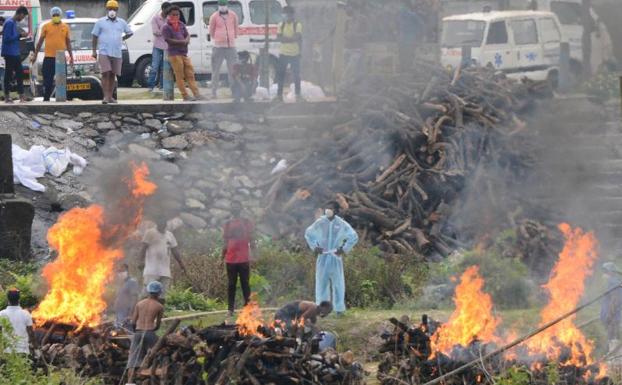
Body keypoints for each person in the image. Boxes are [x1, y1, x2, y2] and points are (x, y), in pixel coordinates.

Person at [304, 203, 358, 315]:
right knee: (321, 284)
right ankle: (322, 309)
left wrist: (344, 249)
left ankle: (339, 309)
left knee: (338, 284)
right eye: (327, 208)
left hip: (335, 256)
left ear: (336, 211)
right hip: (323, 256)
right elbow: (308, 233)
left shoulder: (341, 223)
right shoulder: (320, 222)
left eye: (331, 208)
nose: (328, 210)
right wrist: (315, 247)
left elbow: (353, 236)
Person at [91, 0, 133, 104]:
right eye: (110, 9)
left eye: (114, 9)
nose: (112, 11)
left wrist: (121, 38)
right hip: (104, 51)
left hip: (117, 52)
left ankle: (110, 97)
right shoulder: (100, 22)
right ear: (106, 9)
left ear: (117, 10)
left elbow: (130, 32)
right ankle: (105, 97)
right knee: (106, 73)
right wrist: (94, 51)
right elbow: (94, 36)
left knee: (113, 75)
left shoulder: (122, 22)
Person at [31, 7, 74, 102]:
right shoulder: (46, 26)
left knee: (62, 80)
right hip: (49, 58)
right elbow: (39, 43)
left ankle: (62, 99)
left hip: (61, 58)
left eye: (57, 15)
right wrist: (35, 55)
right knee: (47, 81)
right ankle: (46, 99)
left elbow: (68, 43)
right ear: (51, 16)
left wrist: (71, 57)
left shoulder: (65, 27)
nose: (56, 17)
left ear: (60, 15)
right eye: (54, 15)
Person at [162, 5, 204, 101]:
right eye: (173, 14)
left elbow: (187, 35)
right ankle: (185, 96)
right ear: (169, 15)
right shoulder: (166, 27)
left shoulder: (181, 24)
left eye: (177, 14)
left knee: (190, 74)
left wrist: (186, 40)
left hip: (184, 53)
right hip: (174, 54)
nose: (176, 16)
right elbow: (168, 40)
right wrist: (182, 42)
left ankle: (197, 94)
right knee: (179, 76)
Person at [126, 281, 164, 384]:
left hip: (138, 333)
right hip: (150, 333)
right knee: (158, 355)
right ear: (159, 293)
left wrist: (136, 331)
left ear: (148, 291)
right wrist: (152, 330)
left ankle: (130, 382)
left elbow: (133, 322)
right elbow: (158, 325)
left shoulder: (139, 304)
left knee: (133, 360)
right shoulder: (159, 306)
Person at [222, 201, 255, 317]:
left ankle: (248, 308)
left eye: (237, 206)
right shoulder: (227, 223)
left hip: (244, 258)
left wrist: (254, 254)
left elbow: (252, 238)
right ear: (231, 209)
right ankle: (230, 309)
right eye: (233, 206)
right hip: (231, 259)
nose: (235, 208)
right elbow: (225, 242)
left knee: (245, 284)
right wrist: (222, 257)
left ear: (241, 208)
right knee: (231, 284)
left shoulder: (246, 222)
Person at [140, 218, 186, 296]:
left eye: (164, 223)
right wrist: (141, 261)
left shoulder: (170, 235)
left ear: (166, 224)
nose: (163, 224)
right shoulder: (150, 233)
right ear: (157, 223)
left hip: (165, 271)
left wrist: (181, 264)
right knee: (147, 294)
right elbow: (143, 248)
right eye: (161, 222)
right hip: (151, 271)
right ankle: (143, 307)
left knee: (162, 296)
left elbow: (175, 251)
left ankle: (160, 308)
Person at [208, 0, 239, 98]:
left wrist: (233, 37)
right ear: (218, 6)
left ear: (227, 5)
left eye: (224, 5)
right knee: (215, 70)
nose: (222, 7)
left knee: (233, 70)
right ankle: (214, 92)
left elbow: (236, 27)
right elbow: (211, 30)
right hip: (218, 47)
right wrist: (218, 38)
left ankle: (234, 91)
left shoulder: (233, 15)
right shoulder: (214, 16)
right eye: (221, 5)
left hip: (231, 47)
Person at [2, 6, 29, 103]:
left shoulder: (13, 23)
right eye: (23, 16)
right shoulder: (9, 23)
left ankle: (21, 96)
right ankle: (7, 96)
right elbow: (6, 39)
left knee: (19, 74)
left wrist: (20, 37)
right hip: (9, 53)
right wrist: (20, 35)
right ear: (20, 14)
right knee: (8, 75)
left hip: (15, 53)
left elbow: (12, 37)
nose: (22, 19)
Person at [276, 6, 302, 102]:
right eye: (284, 14)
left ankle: (298, 95)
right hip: (283, 53)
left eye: (287, 14)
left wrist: (285, 39)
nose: (285, 16)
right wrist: (290, 39)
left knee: (296, 75)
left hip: (295, 53)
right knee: (280, 75)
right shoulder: (281, 25)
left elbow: (297, 37)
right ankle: (279, 95)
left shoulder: (297, 25)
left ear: (292, 15)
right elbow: (279, 38)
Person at [0, 288, 36, 354]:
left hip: (7, 351)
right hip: (23, 352)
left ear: (8, 300)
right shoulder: (26, 314)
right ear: (19, 300)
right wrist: (35, 347)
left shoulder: (1, 314)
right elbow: (31, 333)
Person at [148, 1, 170, 94]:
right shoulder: (155, 18)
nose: (169, 12)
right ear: (163, 9)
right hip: (157, 46)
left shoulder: (170, 18)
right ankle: (150, 87)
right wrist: (166, 28)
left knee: (164, 68)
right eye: (168, 10)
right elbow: (155, 32)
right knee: (154, 67)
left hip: (167, 47)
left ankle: (162, 86)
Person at [600, 262, 622, 353]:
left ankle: (614, 360)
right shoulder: (611, 282)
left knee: (613, 338)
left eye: (606, 271)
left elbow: (616, 299)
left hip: (613, 317)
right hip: (611, 316)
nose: (604, 274)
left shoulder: (614, 282)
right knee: (611, 338)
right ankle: (611, 358)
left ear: (611, 272)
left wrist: (610, 315)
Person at [397, 0, 423, 72]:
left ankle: (407, 69)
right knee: (405, 55)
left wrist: (419, 35)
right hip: (404, 40)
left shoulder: (411, 15)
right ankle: (405, 69)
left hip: (409, 40)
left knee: (407, 55)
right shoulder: (401, 15)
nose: (400, 7)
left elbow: (421, 25)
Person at [113, 263, 139, 329]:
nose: (120, 273)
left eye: (122, 271)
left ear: (127, 271)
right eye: (119, 271)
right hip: (119, 313)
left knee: (126, 332)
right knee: (118, 332)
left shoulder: (132, 282)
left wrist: (131, 314)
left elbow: (135, 298)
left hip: (127, 313)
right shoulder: (122, 283)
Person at [0, 17, 6, 97]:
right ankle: (5, 95)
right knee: (3, 79)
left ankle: (5, 95)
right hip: (3, 61)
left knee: (3, 79)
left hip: (3, 61)